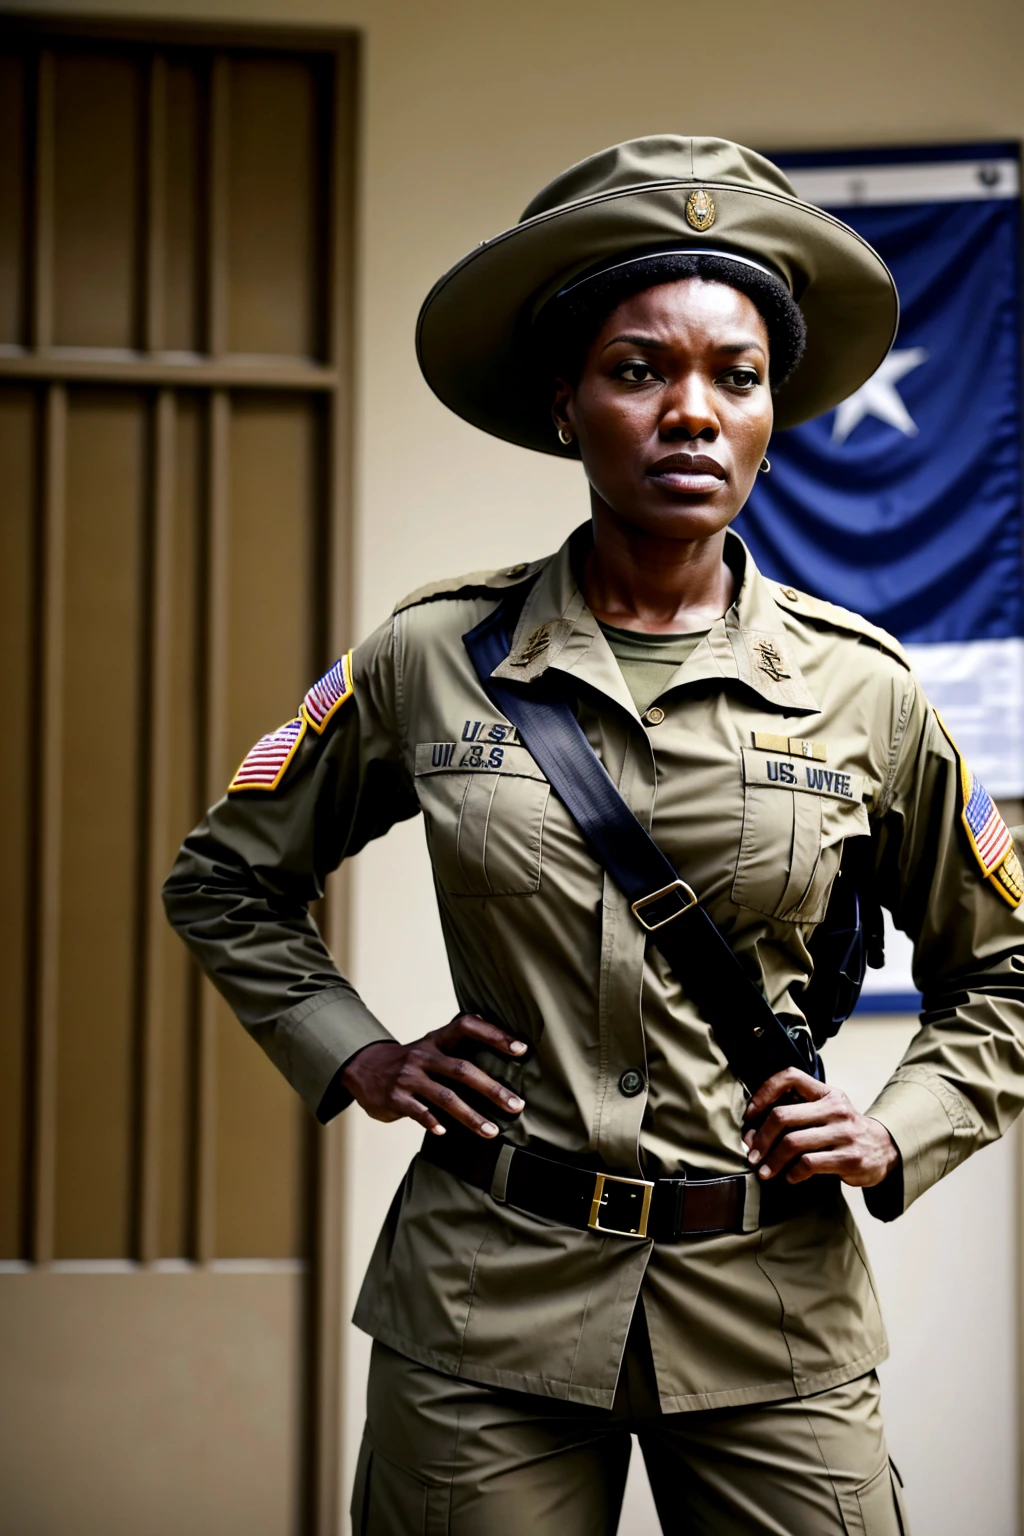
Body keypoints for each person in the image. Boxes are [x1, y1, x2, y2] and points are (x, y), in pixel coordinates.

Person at [164, 136, 1024, 1534]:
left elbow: (1011, 970)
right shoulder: (428, 659)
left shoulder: (868, 690)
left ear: (770, 412)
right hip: (483, 1302)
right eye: (640, 371)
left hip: (771, 1313)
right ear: (565, 406)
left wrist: (893, 1129)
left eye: (735, 378)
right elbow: (222, 880)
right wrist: (360, 1054)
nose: (693, 413)